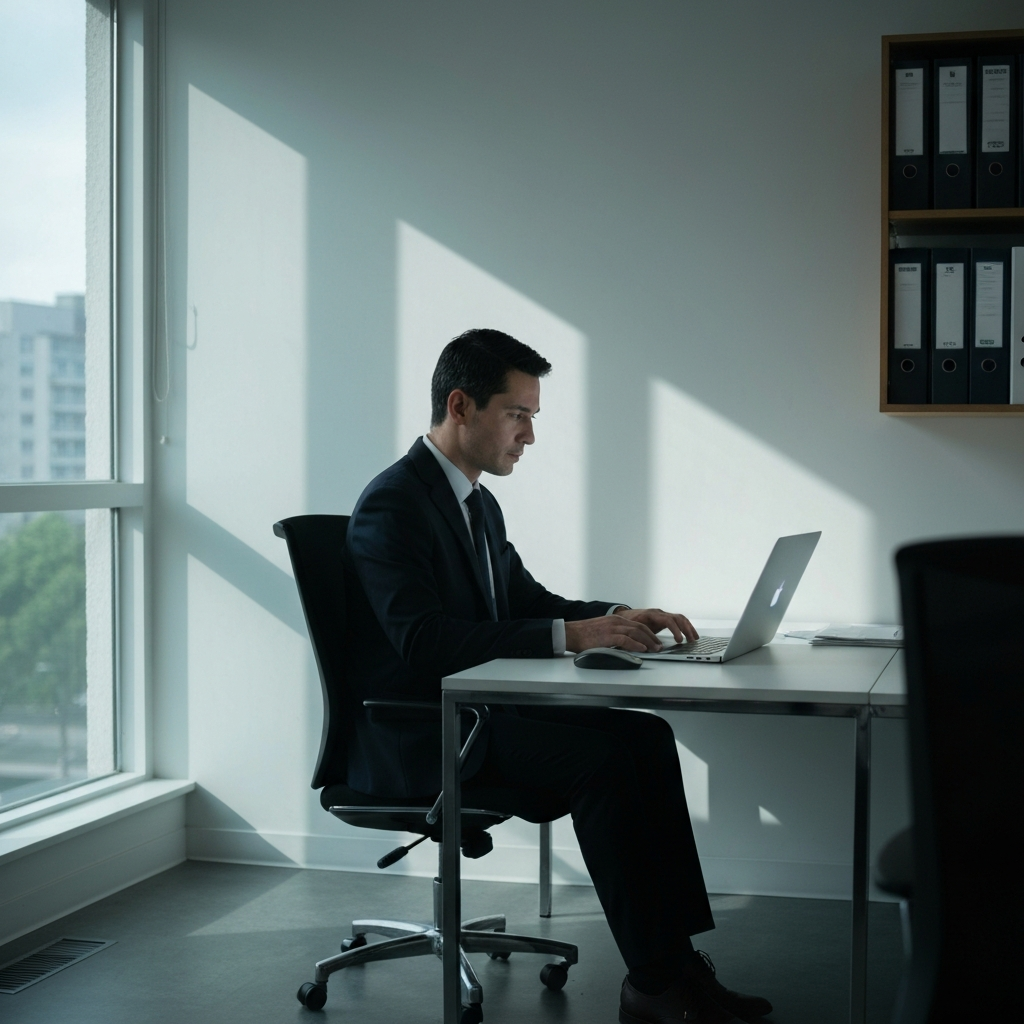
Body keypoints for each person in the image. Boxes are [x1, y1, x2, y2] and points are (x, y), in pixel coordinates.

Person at [345, 329, 773, 1024]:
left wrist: (618, 615)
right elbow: (423, 642)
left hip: (479, 720)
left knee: (645, 738)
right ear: (461, 405)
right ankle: (656, 984)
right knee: (600, 761)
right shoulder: (394, 504)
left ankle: (676, 964)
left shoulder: (476, 504)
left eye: (532, 418)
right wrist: (573, 636)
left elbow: (526, 602)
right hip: (423, 736)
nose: (529, 436)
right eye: (519, 415)